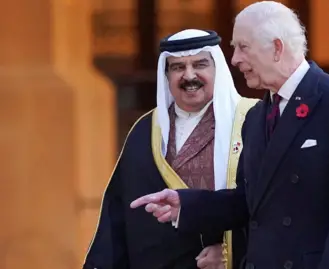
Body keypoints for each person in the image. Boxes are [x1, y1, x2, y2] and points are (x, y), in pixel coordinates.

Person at [131, 2, 329, 269]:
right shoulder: (256, 116)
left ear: (276, 48)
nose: (235, 59)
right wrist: (186, 205)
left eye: (243, 47)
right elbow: (249, 201)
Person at [84, 29, 258, 269]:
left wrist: (234, 252)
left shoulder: (253, 119)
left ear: (217, 68)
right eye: (177, 67)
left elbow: (271, 207)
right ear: (166, 75)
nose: (189, 76)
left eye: (200, 64)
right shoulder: (146, 128)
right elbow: (119, 215)